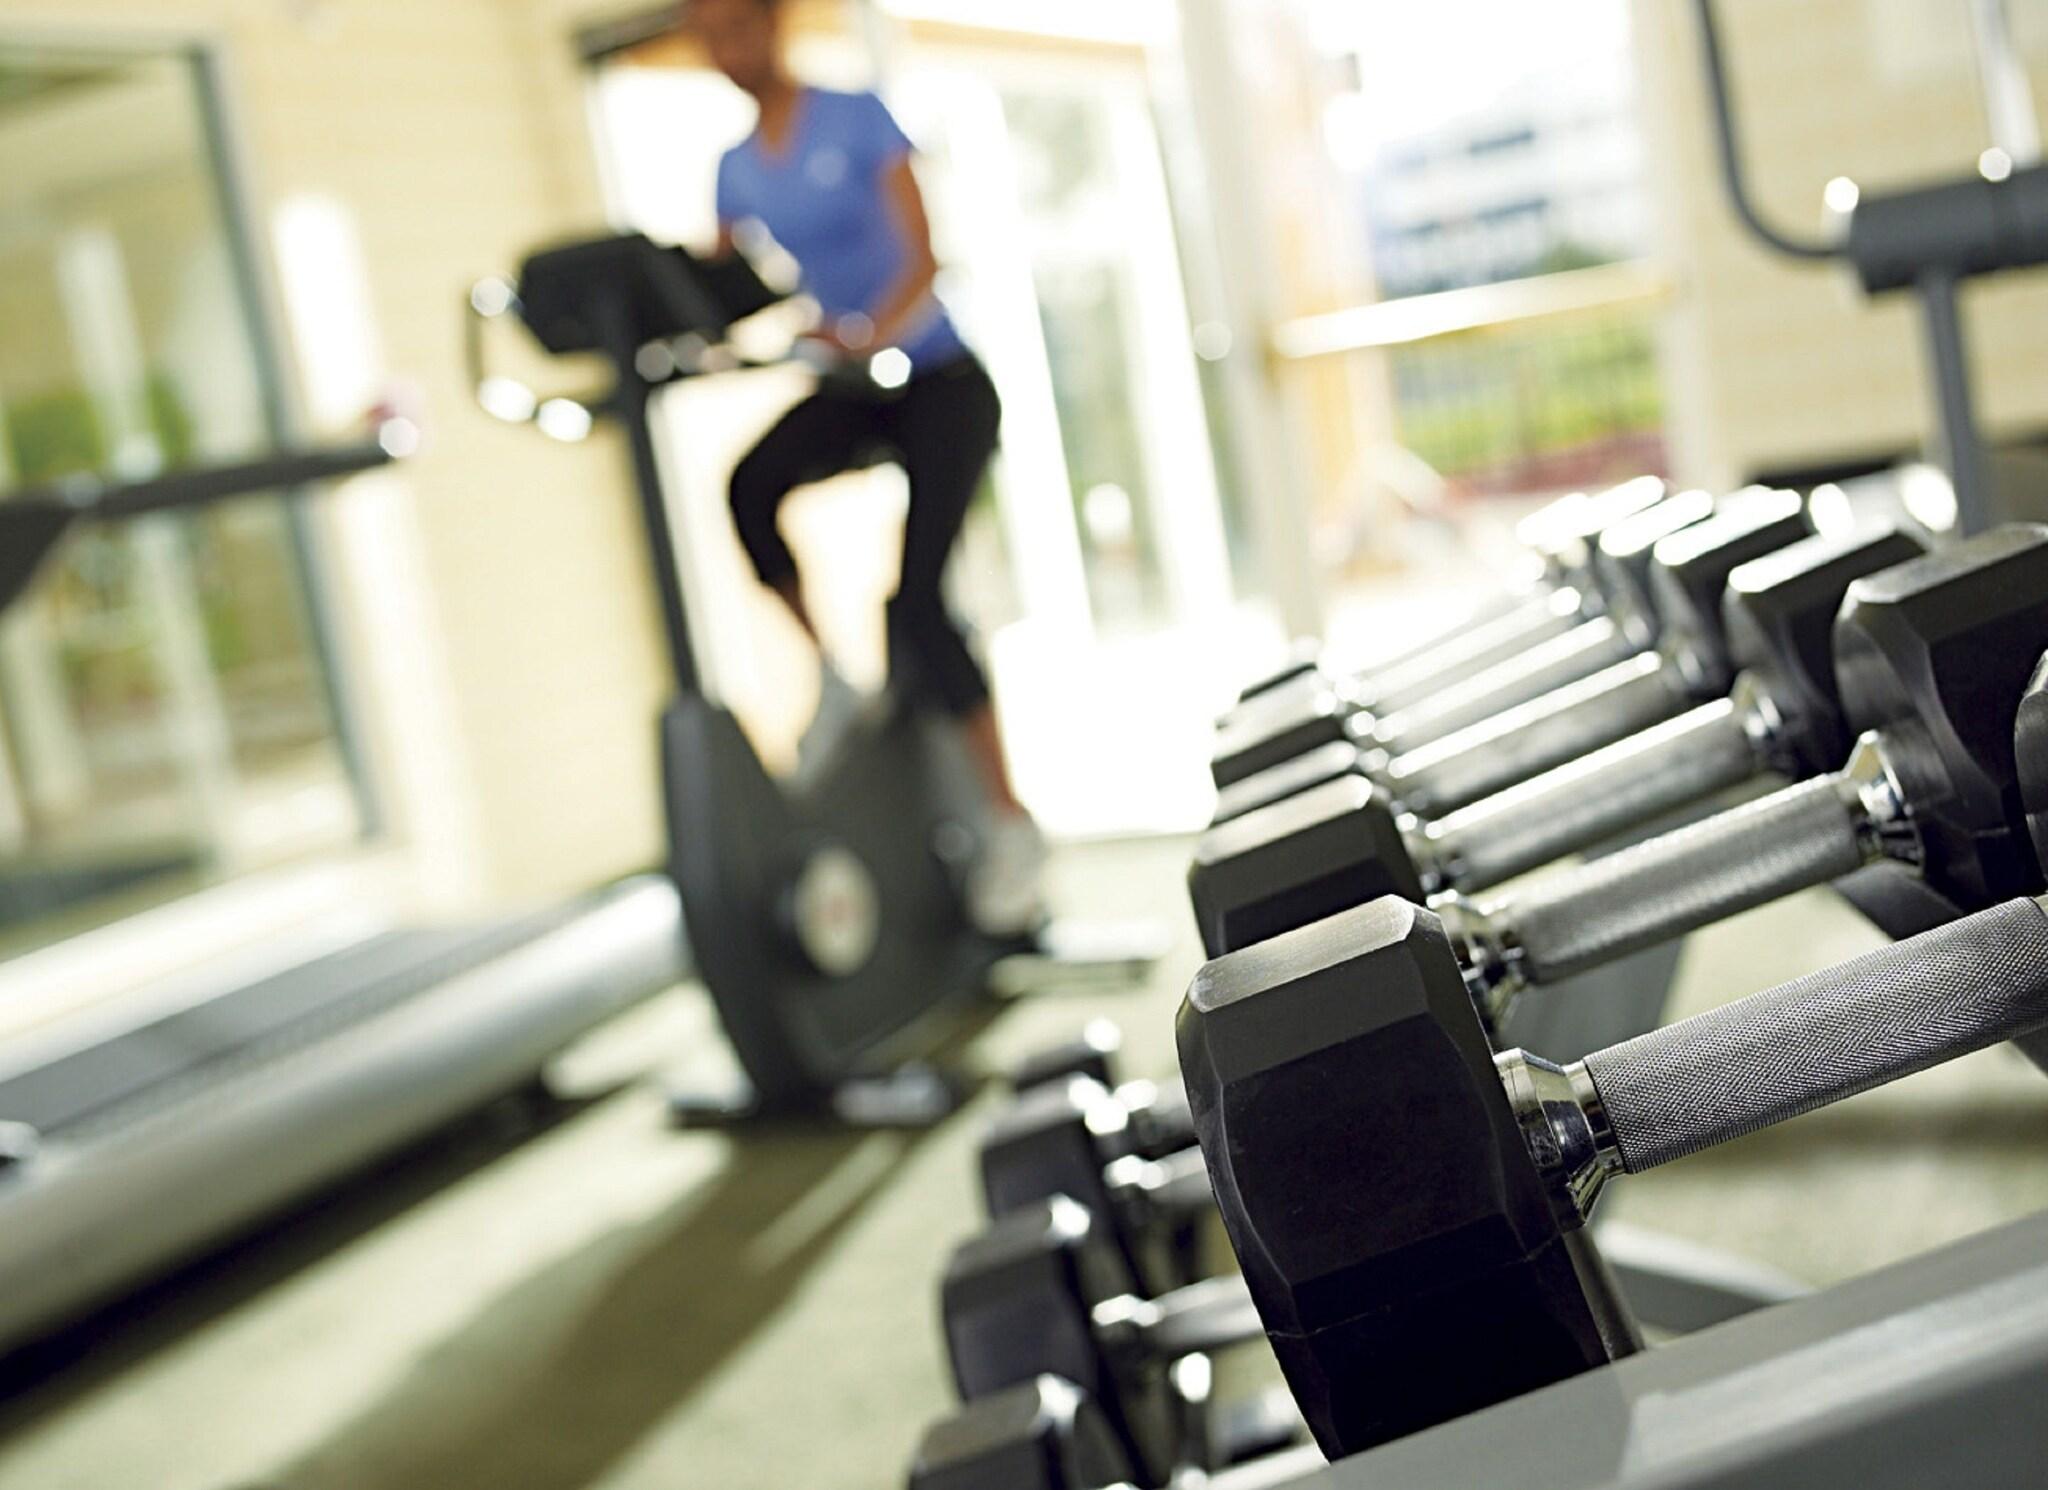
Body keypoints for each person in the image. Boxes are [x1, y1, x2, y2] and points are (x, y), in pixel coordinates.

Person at [692, 0, 1046, 935]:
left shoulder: (856, 116)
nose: (727, 49)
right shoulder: (735, 168)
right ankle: (834, 677)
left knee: (917, 601)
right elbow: (716, 288)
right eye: (709, 34)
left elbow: (923, 258)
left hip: (937, 378)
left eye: (738, 26)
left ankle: (1012, 826)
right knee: (749, 488)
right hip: (855, 387)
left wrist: (868, 335)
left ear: (770, 25)